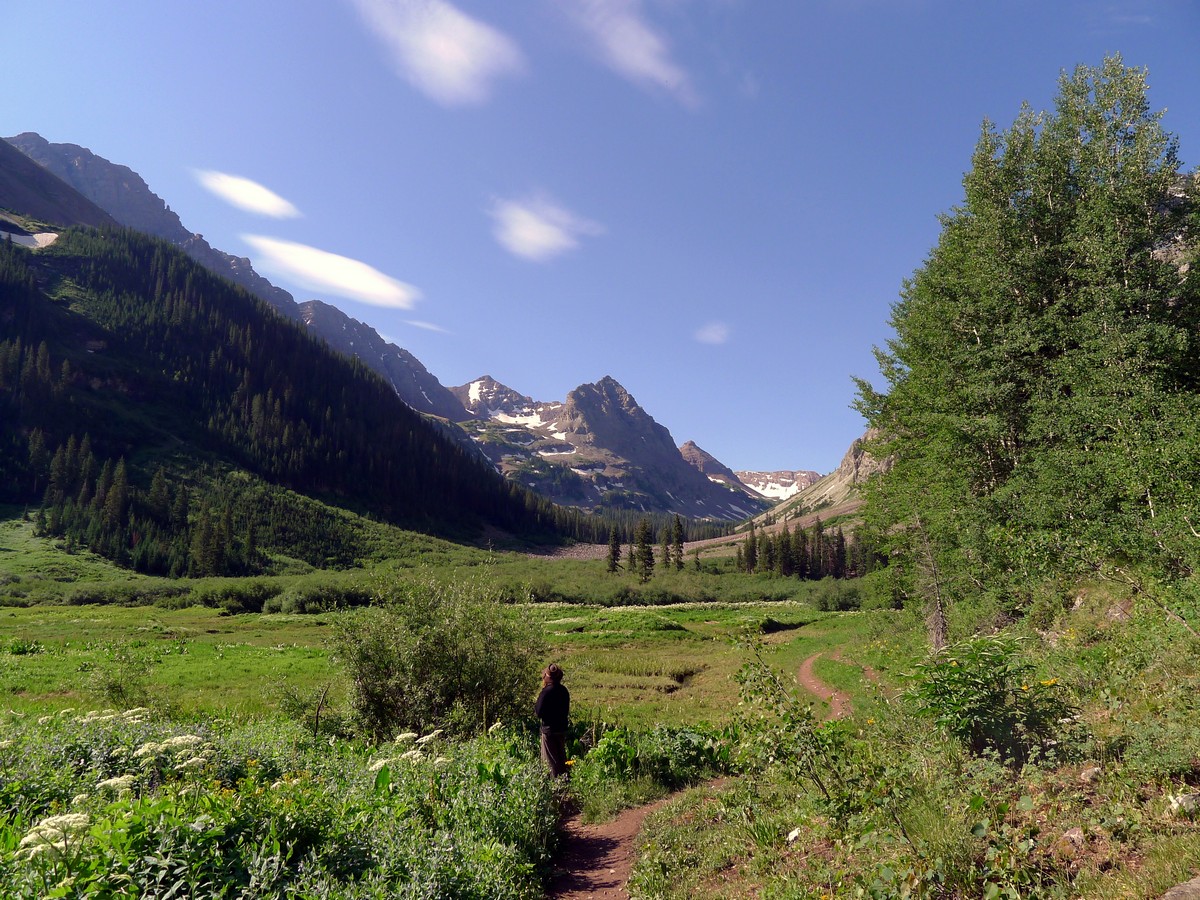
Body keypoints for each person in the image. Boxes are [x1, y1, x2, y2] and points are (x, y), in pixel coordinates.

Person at [534, 663, 570, 777]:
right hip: (561, 728)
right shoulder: (564, 690)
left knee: (550, 761)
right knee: (560, 757)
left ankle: (556, 787)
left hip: (549, 730)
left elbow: (538, 712)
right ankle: (564, 781)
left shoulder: (546, 692)